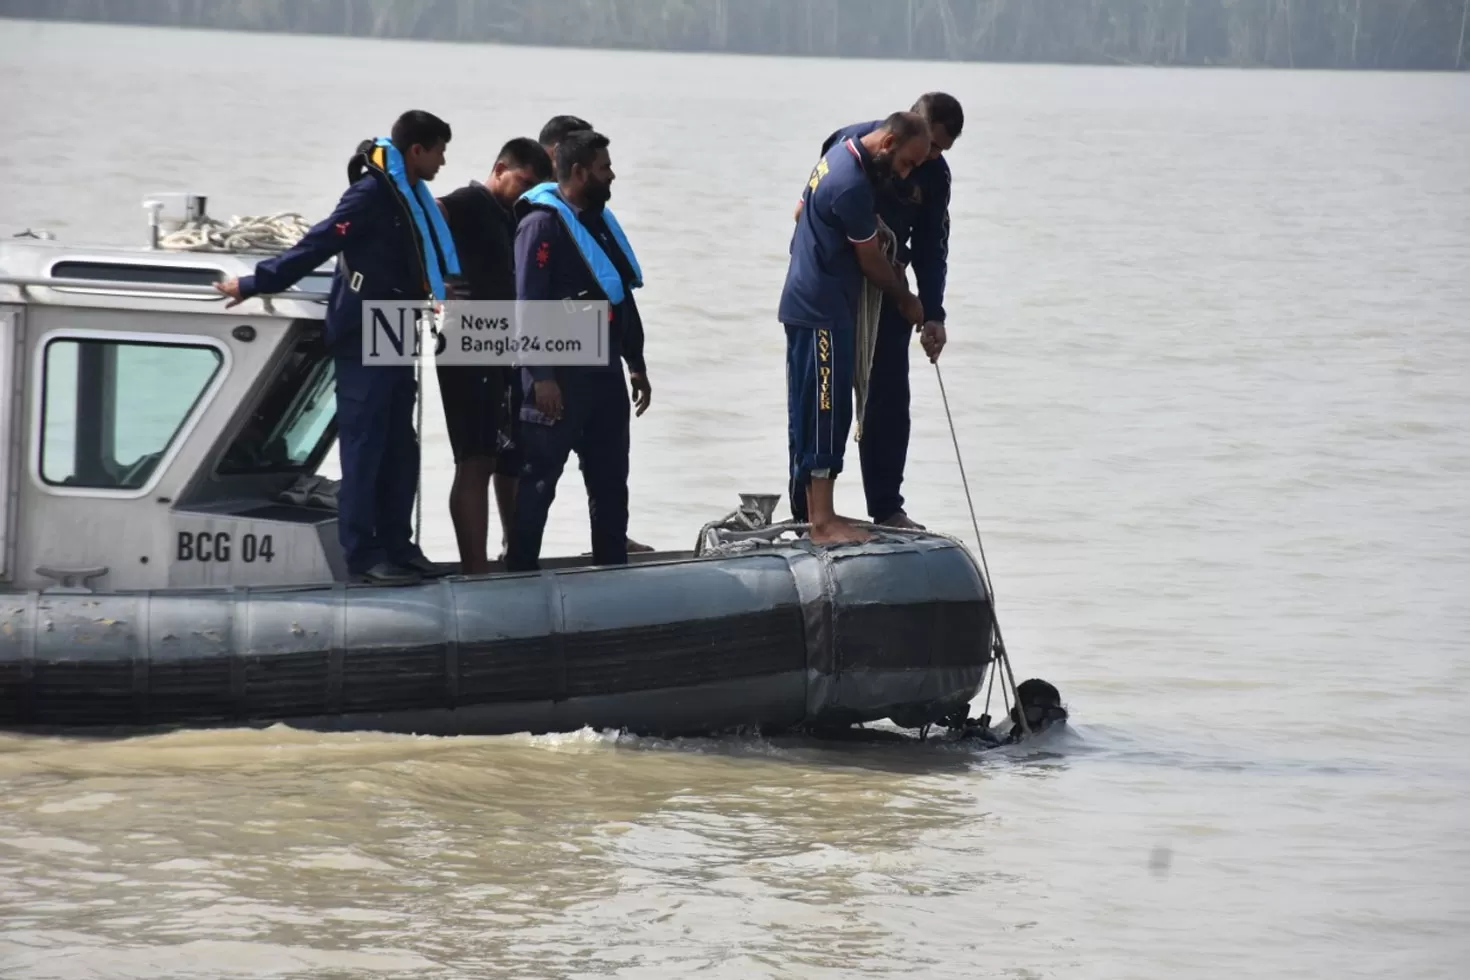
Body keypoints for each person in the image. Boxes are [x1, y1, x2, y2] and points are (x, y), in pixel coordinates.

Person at [213, 110, 458, 585]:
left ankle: (397, 546)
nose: (443, 162)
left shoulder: (410, 198)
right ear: (417, 151)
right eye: (440, 151)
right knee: (365, 446)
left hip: (394, 325)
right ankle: (362, 556)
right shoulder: (370, 195)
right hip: (363, 327)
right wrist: (255, 281)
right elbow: (318, 243)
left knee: (399, 447)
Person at [792, 93, 963, 531]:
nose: (925, 161)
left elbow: (931, 247)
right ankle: (809, 511)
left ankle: (886, 505)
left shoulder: (934, 175)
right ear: (905, 131)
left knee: (887, 398)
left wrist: (932, 312)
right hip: (840, 287)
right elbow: (806, 208)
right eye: (923, 151)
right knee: (819, 398)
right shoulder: (849, 149)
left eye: (939, 152)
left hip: (888, 290)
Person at [503, 129, 652, 572]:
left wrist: (636, 363)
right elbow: (526, 305)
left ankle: (611, 567)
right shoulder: (541, 225)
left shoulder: (597, 223)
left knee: (610, 480)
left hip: (604, 372)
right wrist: (542, 376)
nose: (612, 176)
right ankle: (520, 571)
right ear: (578, 171)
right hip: (560, 378)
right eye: (604, 168)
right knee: (540, 479)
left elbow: (621, 297)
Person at [435, 137, 553, 575]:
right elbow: (425, 213)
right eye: (521, 181)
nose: (525, 193)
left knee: (503, 455)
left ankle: (509, 553)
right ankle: (474, 569)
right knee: (474, 459)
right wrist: (434, 280)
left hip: (498, 343)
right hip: (464, 339)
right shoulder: (470, 201)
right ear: (500, 168)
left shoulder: (512, 214)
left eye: (533, 187)